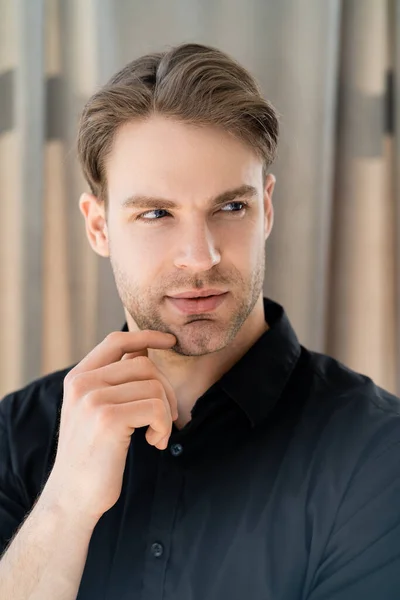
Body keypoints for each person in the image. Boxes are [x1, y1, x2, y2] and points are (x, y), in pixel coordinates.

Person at [0, 42, 399, 600]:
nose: (201, 255)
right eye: (156, 214)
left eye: (231, 207)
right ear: (98, 227)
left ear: (267, 208)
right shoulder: (15, 438)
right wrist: (64, 506)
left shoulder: (378, 451)